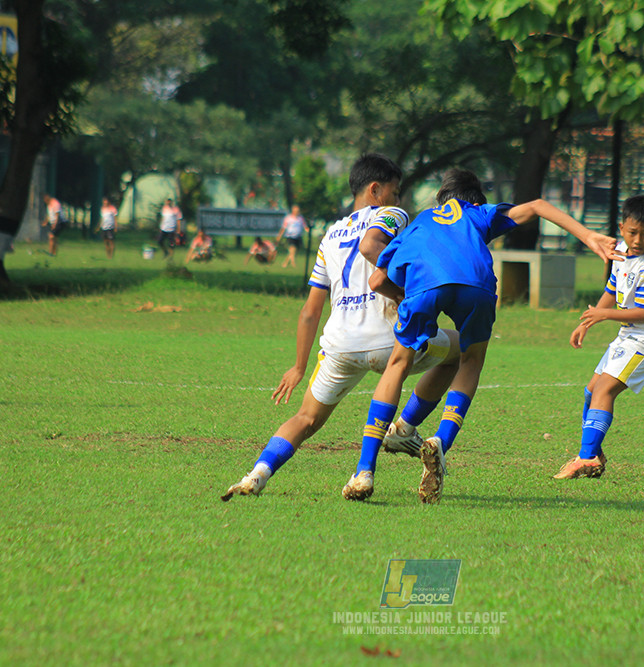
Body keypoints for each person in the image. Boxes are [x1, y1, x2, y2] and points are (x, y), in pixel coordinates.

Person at [345, 168, 622, 504]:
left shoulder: (421, 221)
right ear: (476, 201)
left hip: (424, 287)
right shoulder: (478, 213)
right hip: (475, 286)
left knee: (398, 364)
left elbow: (376, 281)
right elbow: (537, 206)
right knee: (470, 359)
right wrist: (589, 236)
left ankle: (364, 470)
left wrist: (408, 296)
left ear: (442, 200)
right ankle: (441, 441)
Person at [222, 153, 462, 501]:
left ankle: (256, 474)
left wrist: (299, 366)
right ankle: (403, 430)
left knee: (306, 418)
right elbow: (378, 248)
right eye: (395, 192)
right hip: (388, 338)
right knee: (461, 349)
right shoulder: (391, 215)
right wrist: (404, 293)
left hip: (340, 346)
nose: (398, 200)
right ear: (376, 190)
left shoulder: (330, 235)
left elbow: (310, 311)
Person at [554, 194, 644, 481]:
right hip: (629, 335)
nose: (638, 240)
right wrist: (588, 322)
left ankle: (585, 458)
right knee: (591, 391)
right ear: (622, 228)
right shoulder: (620, 252)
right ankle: (593, 454)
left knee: (604, 391)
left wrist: (604, 315)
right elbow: (612, 289)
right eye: (633, 233)